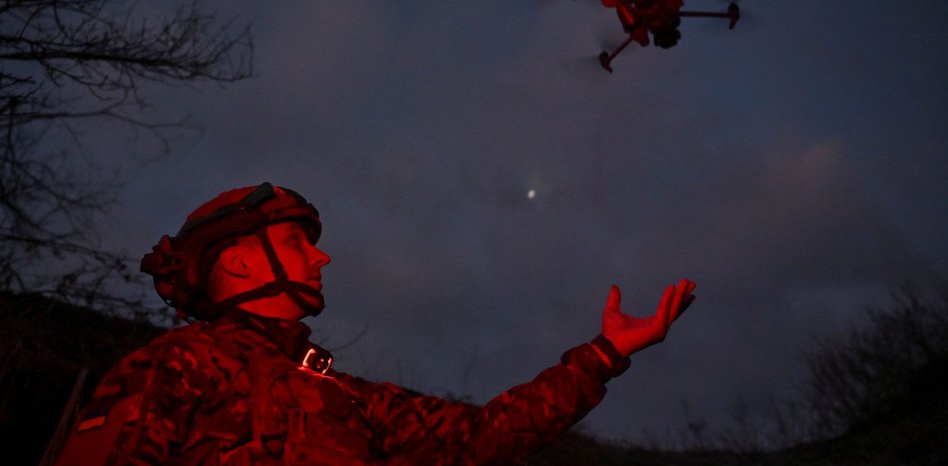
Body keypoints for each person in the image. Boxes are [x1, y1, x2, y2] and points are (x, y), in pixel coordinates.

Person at [53, 182, 695, 465]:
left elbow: (480, 437)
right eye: (298, 240)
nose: (322, 254)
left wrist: (605, 354)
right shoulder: (172, 367)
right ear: (242, 261)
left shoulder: (340, 393)